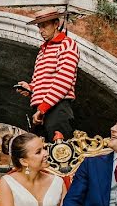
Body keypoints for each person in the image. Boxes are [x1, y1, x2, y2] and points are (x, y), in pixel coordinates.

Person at [15, 9, 78, 141]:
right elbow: (42, 81)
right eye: (39, 26)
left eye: (44, 26)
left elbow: (64, 81)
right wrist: (31, 88)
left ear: (56, 24)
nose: (41, 30)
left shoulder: (67, 44)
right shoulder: (42, 51)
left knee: (59, 156)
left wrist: (43, 108)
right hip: (41, 111)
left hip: (57, 110)